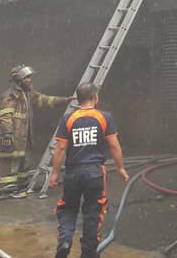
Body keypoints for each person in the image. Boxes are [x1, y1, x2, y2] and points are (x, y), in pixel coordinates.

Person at [48, 83, 128, 258]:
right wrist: (121, 168)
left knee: (68, 208)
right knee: (93, 211)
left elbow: (61, 148)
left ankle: (65, 240)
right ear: (95, 97)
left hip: (72, 172)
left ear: (77, 98)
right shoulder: (104, 117)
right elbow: (113, 144)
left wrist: (54, 173)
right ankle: (88, 252)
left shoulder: (68, 119)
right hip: (95, 173)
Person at [0, 64, 72, 196]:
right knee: (12, 164)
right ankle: (10, 189)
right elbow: (5, 115)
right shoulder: (11, 95)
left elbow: (44, 100)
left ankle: (21, 188)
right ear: (19, 80)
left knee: (24, 164)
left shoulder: (28, 93)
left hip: (25, 137)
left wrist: (64, 100)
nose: (30, 80)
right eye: (27, 78)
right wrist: (8, 133)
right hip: (15, 137)